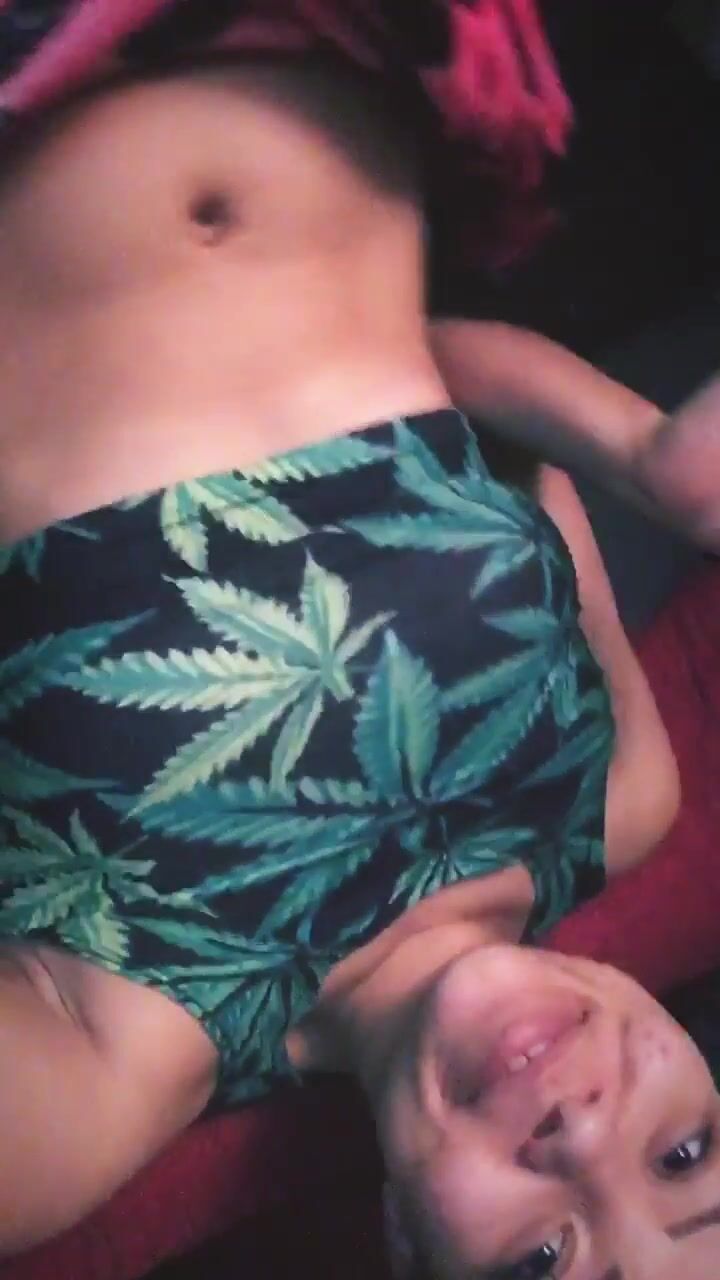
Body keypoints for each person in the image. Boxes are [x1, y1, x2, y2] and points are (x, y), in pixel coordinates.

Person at [0, 18, 710, 1279]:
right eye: (684, 1156)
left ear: (405, 1249)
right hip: (343, 46)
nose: (586, 1135)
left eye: (544, 1259)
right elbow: (445, 389)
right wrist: (642, 453)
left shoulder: (119, 1061)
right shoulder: (622, 798)